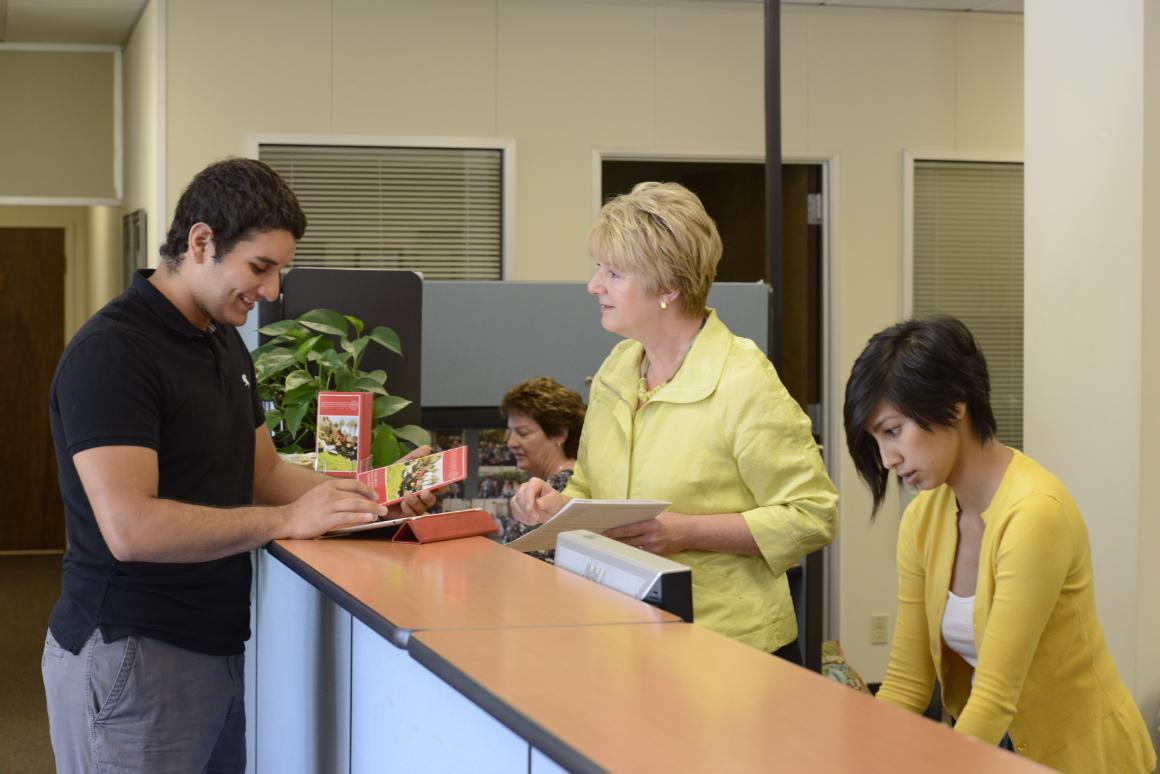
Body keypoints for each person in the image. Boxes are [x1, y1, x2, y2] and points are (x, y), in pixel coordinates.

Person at [41, 158, 435, 774]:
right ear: (201, 242)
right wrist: (285, 521)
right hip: (131, 651)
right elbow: (132, 528)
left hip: (213, 647)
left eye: (280, 270)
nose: (273, 291)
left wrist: (371, 497)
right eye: (260, 267)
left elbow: (264, 473)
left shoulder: (220, 340)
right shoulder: (114, 352)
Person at [511, 182, 838, 661]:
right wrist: (557, 504)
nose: (594, 285)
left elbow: (813, 514)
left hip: (729, 651)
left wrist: (686, 531)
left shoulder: (742, 379)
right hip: (626, 635)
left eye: (613, 273)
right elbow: (592, 488)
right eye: (599, 268)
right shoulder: (618, 369)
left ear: (668, 287)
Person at [843, 316, 1155, 773]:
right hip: (994, 745)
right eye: (876, 440)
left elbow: (993, 696)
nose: (888, 459)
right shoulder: (922, 519)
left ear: (954, 404)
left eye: (893, 431)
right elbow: (908, 684)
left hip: (1083, 756)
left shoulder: (1034, 513)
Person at [498, 376, 586, 544]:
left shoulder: (560, 490)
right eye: (510, 432)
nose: (510, 443)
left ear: (559, 434)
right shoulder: (558, 482)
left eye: (523, 433)